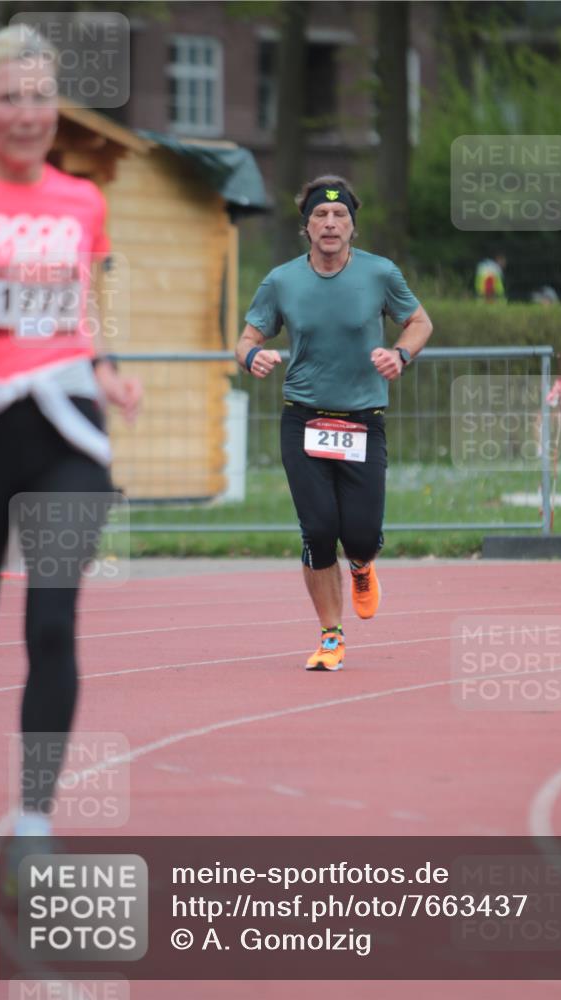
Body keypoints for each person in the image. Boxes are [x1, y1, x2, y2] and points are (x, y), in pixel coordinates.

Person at [0, 26, 142, 890]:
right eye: (11, 96)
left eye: (42, 97)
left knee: (50, 622)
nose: (30, 113)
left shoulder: (82, 201)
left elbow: (82, 303)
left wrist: (106, 368)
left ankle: (33, 820)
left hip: (67, 432)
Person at [235, 175, 433, 671]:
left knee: (361, 535)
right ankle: (330, 636)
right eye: (320, 216)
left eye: (339, 215)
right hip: (303, 419)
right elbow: (245, 338)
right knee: (318, 530)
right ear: (306, 227)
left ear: (352, 226)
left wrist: (401, 355)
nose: (329, 223)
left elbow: (421, 322)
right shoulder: (281, 281)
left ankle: (363, 565)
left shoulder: (380, 274)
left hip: (363, 420)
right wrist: (253, 356)